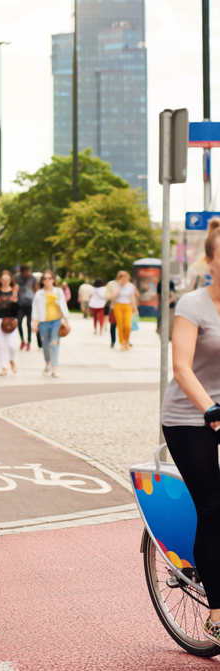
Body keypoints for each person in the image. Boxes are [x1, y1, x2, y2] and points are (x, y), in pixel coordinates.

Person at [161, 222, 220, 643]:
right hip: (189, 416)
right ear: (211, 261)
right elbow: (181, 367)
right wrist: (211, 409)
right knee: (214, 506)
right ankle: (217, 613)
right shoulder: (193, 304)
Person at [32, 270, 71, 378]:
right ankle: (47, 363)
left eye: (49, 278)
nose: (47, 281)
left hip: (56, 322)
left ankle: (54, 367)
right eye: (45, 278)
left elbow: (63, 305)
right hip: (43, 322)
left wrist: (67, 320)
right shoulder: (39, 293)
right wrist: (34, 323)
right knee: (45, 345)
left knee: (55, 343)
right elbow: (34, 308)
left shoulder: (58, 291)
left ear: (53, 280)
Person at [108, 270, 138, 350]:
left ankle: (127, 341)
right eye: (122, 277)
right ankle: (122, 343)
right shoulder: (116, 285)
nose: (124, 279)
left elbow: (132, 297)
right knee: (120, 325)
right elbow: (113, 295)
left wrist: (135, 309)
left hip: (127, 306)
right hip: (118, 306)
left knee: (127, 326)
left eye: (125, 277)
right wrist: (119, 286)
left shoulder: (131, 286)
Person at [16, 264, 38, 350]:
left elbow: (36, 289)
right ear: (21, 273)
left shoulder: (32, 278)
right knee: (19, 322)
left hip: (30, 303)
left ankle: (29, 342)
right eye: (24, 273)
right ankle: (22, 340)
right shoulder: (17, 278)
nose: (26, 274)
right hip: (20, 304)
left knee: (28, 324)